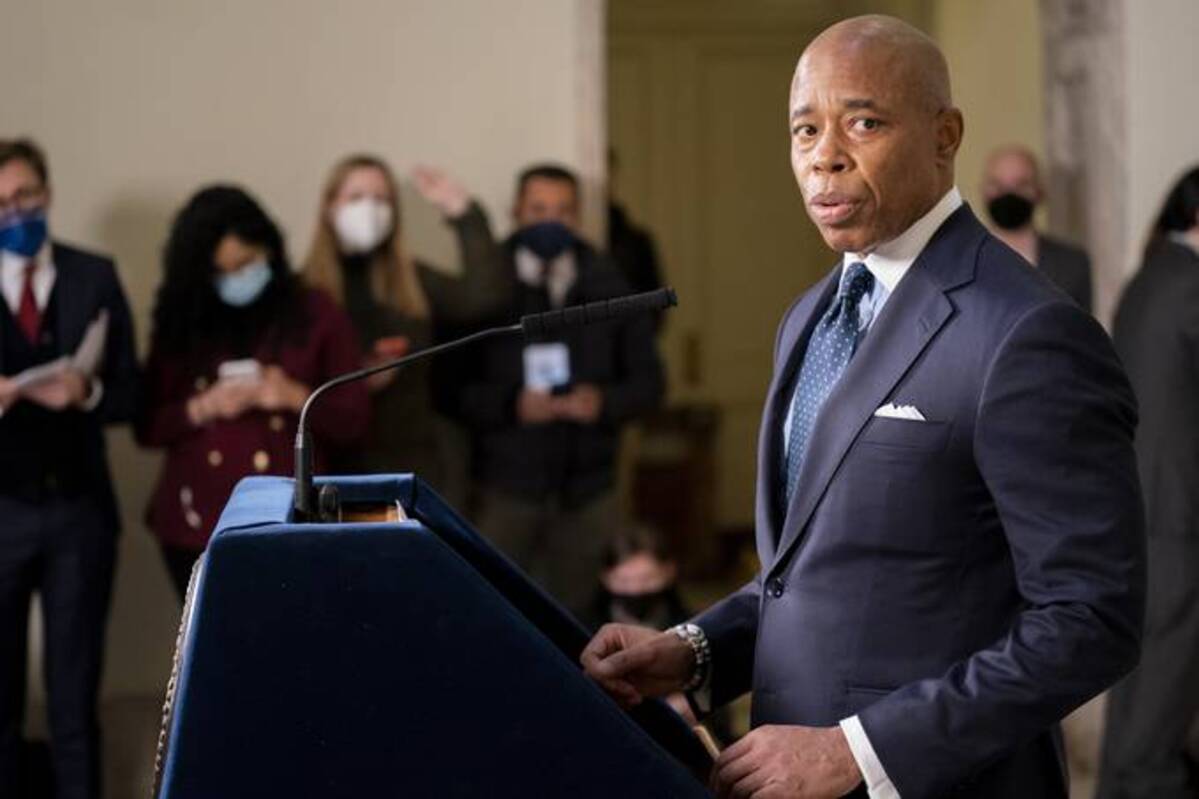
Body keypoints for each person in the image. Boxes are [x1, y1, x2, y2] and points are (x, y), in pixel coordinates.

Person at [582, 15, 1144, 799]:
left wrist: (860, 751)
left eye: (863, 122)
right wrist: (693, 650)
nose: (823, 154)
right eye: (803, 129)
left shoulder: (1029, 332)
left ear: (944, 136)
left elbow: (1092, 619)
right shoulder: (808, 316)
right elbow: (809, 574)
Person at [137, 186, 369, 600]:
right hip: (197, 521)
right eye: (222, 272)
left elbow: (354, 420)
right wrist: (202, 407)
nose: (237, 278)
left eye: (246, 263)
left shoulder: (315, 311)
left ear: (269, 250)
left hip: (294, 519)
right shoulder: (182, 321)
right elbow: (146, 424)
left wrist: (293, 395)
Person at [456, 164, 664, 617]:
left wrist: (602, 403)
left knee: (582, 623)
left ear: (579, 218)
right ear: (516, 212)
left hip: (590, 492)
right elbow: (451, 390)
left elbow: (650, 384)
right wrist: (513, 405)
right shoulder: (484, 288)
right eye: (538, 209)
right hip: (505, 489)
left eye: (563, 211)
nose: (551, 221)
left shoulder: (611, 283)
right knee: (495, 613)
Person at [0, 138, 139, 799]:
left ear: (47, 194)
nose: (13, 211)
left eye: (23, 195)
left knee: (73, 702)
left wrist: (87, 392)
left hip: (79, 510)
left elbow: (133, 394)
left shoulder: (95, 274)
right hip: (2, 511)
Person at [302, 157, 511, 504]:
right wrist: (353, 383)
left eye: (382, 199)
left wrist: (464, 214)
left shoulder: (411, 280)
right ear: (330, 206)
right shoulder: (305, 291)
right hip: (331, 472)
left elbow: (483, 298)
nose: (369, 209)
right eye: (356, 198)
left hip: (410, 465)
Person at [1099, 166, 1199, 799]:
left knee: (1135, 699)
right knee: (1158, 714)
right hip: (1178, 523)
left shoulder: (1150, 277)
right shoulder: (1189, 286)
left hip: (1142, 517)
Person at [980, 145, 1093, 311]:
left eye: (1021, 185)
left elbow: (1085, 332)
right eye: (998, 185)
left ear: (1039, 191)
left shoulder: (1073, 264)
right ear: (984, 191)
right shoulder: (958, 262)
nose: (1009, 195)